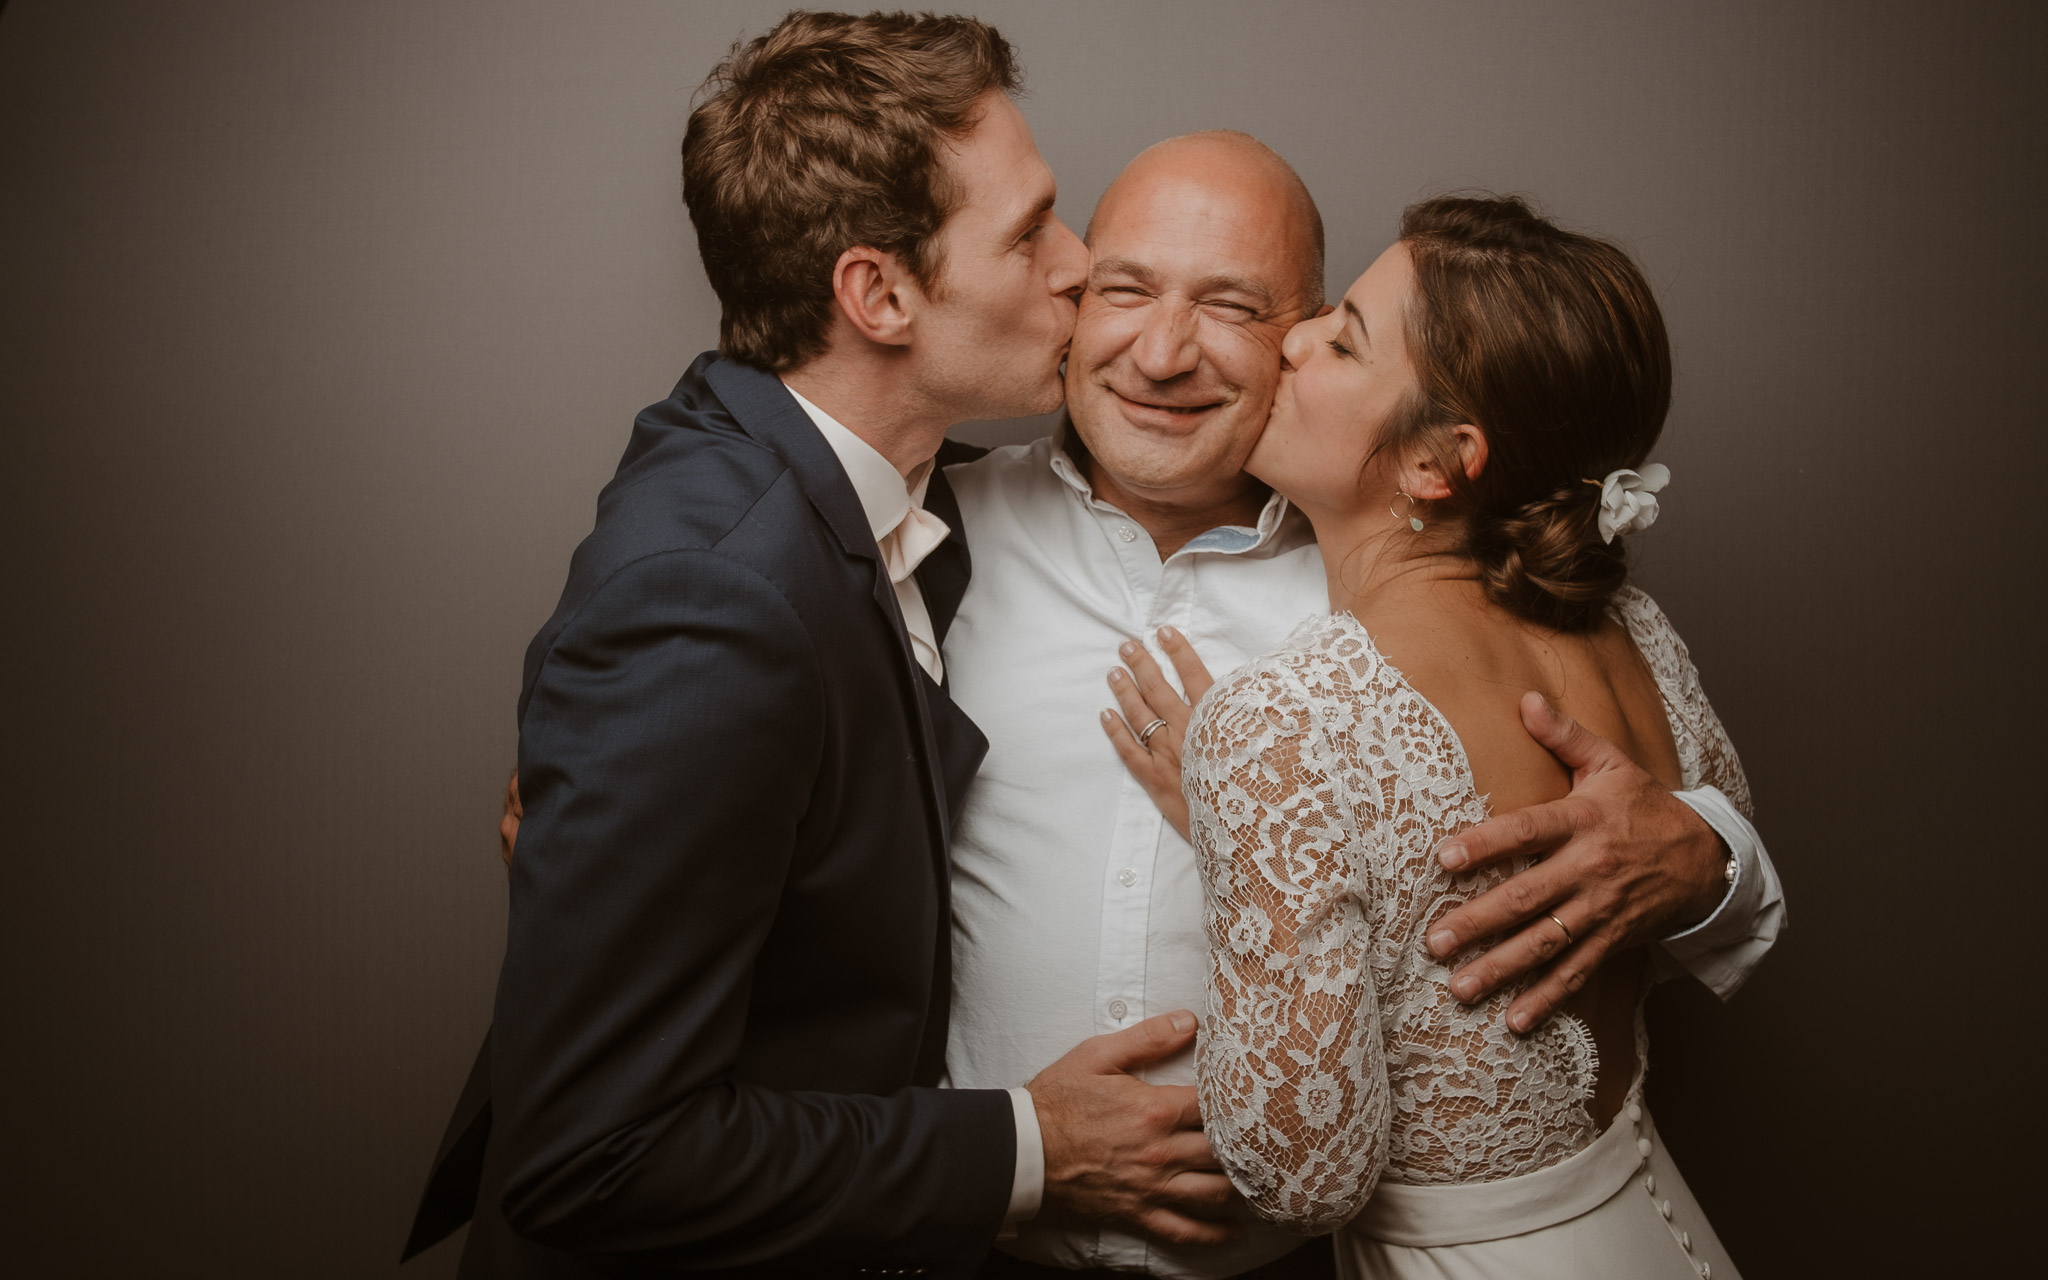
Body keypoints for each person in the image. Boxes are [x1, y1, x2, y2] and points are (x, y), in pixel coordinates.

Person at [404, 15, 1241, 1278]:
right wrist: (1031, 1146)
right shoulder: (706, 606)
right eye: (1029, 233)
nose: (1080, 266)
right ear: (877, 292)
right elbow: (592, 1154)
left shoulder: (836, 468)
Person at [944, 137, 1781, 1280]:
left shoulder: (1468, 594)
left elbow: (1700, 845)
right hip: (973, 1234)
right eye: (1124, 288)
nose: (1160, 350)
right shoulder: (925, 536)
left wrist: (1704, 853)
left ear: (1297, 324)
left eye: (1244, 308)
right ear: (1071, 294)